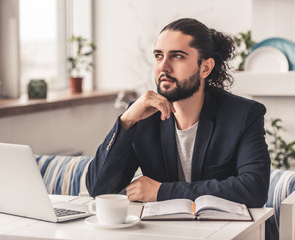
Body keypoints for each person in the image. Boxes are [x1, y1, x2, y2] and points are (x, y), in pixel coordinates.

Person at [86, 18, 270, 208]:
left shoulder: (243, 114)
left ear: (205, 67)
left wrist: (162, 192)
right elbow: (99, 189)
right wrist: (127, 121)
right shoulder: (142, 115)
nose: (163, 67)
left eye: (177, 56)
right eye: (158, 56)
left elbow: (254, 189)